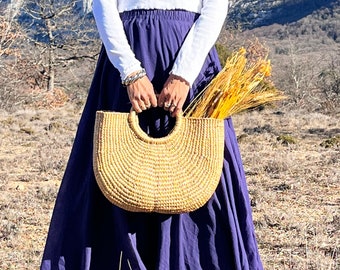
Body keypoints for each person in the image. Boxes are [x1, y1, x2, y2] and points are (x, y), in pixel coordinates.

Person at [40, 0, 264, 269]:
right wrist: (130, 71)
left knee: (200, 163)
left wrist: (183, 75)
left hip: (190, 55)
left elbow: (215, 7)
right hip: (129, 50)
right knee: (116, 161)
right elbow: (103, 6)